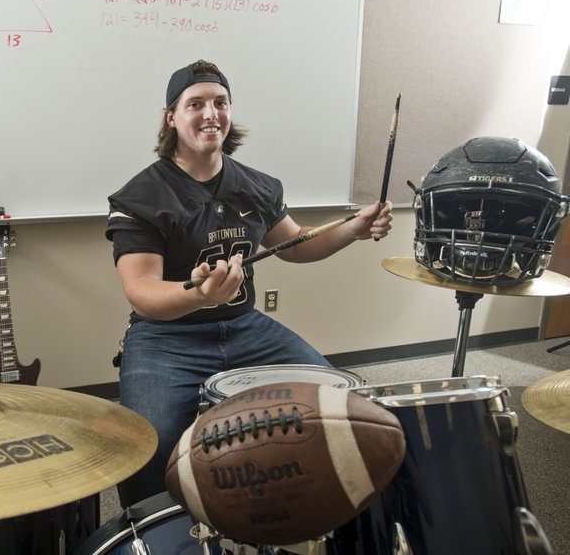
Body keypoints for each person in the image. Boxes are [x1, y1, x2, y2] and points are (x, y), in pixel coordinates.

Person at [105, 59, 392, 508]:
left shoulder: (254, 186)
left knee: (334, 402)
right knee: (150, 446)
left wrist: (353, 229)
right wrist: (196, 294)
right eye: (195, 103)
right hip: (165, 337)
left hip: (246, 327)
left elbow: (294, 245)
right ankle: (154, 534)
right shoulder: (141, 197)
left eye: (220, 102)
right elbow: (141, 290)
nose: (210, 113)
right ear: (172, 117)